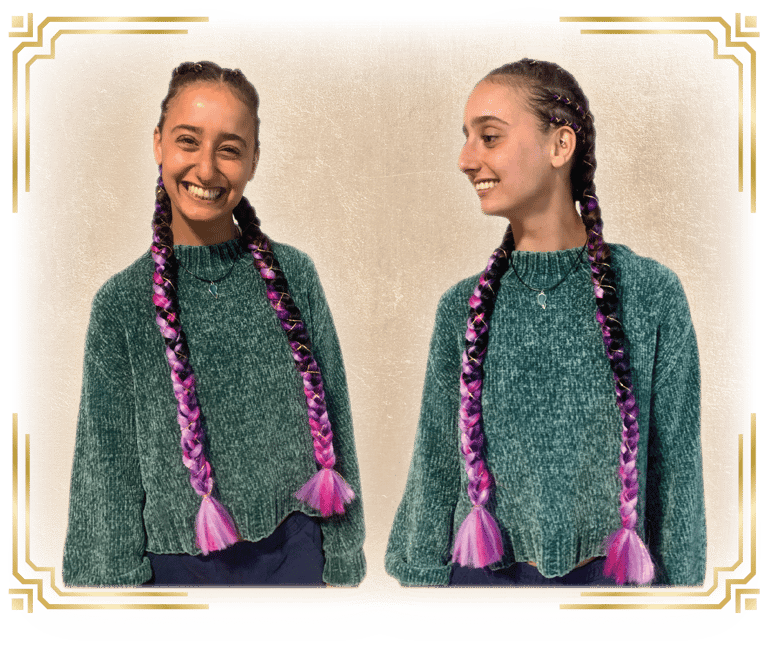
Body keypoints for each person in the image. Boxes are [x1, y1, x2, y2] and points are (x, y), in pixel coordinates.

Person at [385, 59, 706, 587]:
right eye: (466, 138)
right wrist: (422, 591)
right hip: (481, 596)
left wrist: (681, 603)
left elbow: (676, 475)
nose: (467, 160)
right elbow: (436, 469)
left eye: (489, 137)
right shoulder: (460, 310)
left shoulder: (651, 295)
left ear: (561, 146)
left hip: (612, 598)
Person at [63, 61, 365, 587]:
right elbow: (105, 471)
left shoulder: (296, 276)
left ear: (252, 161)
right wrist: (108, 599)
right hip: (179, 572)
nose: (206, 169)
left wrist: (343, 562)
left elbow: (335, 420)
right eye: (188, 141)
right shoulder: (120, 305)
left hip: (299, 558)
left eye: (229, 148)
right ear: (158, 144)